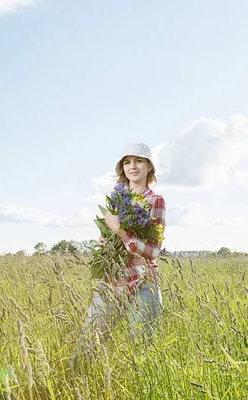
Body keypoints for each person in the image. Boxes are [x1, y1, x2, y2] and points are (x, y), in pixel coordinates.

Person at [79, 143, 166, 354]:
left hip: (143, 282)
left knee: (141, 350)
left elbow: (153, 251)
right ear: (122, 168)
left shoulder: (155, 200)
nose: (132, 166)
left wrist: (120, 232)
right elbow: (113, 234)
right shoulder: (117, 199)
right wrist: (106, 239)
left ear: (149, 167)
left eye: (139, 161)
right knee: (88, 345)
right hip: (112, 279)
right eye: (127, 162)